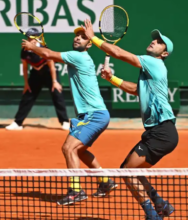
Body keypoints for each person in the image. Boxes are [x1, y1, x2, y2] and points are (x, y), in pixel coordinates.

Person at [83, 19, 179, 220]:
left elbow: (120, 54)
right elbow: (137, 90)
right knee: (131, 170)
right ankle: (161, 204)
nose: (154, 41)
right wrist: (112, 79)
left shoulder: (154, 62)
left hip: (162, 132)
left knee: (125, 172)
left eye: (159, 42)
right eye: (154, 39)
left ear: (164, 54)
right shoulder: (150, 70)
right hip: (159, 132)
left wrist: (93, 38)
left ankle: (152, 215)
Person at [21, 27, 117, 205]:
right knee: (79, 150)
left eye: (82, 37)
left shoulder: (79, 57)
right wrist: (37, 46)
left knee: (68, 148)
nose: (77, 39)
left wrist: (32, 47)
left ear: (89, 44)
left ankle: (76, 191)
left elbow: (49, 55)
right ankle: (105, 181)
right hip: (92, 115)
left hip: (93, 114)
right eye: (76, 36)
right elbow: (48, 53)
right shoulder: (78, 57)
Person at [6, 28, 70, 131]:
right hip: (36, 74)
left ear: (38, 38)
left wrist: (55, 81)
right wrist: (26, 84)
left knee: (57, 94)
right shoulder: (24, 51)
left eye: (33, 37)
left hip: (49, 73)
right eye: (29, 37)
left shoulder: (43, 48)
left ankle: (65, 122)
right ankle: (17, 123)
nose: (31, 39)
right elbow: (25, 67)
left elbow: (52, 65)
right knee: (27, 96)